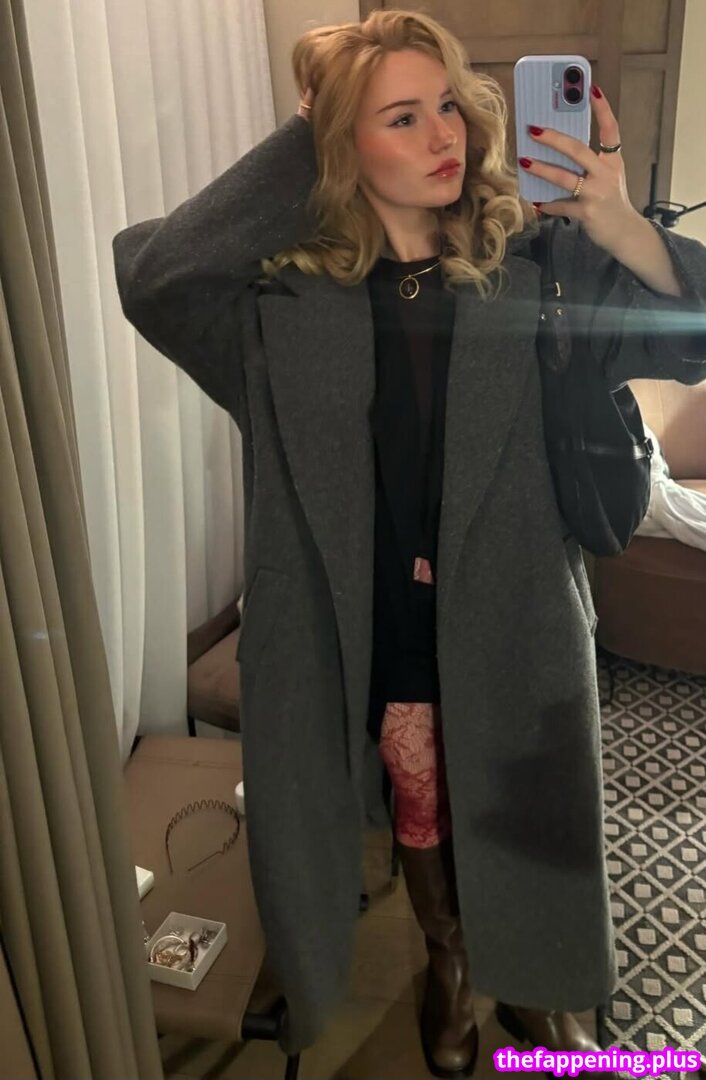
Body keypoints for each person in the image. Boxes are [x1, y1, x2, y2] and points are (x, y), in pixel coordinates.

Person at [112, 9, 706, 1077]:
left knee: (533, 806)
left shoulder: (539, 265)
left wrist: (615, 217)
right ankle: (450, 962)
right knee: (422, 809)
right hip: (378, 620)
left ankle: (545, 983)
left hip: (518, 608)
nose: (446, 135)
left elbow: (695, 329)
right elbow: (158, 277)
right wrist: (305, 133)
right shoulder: (280, 307)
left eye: (448, 105)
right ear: (337, 143)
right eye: (400, 116)